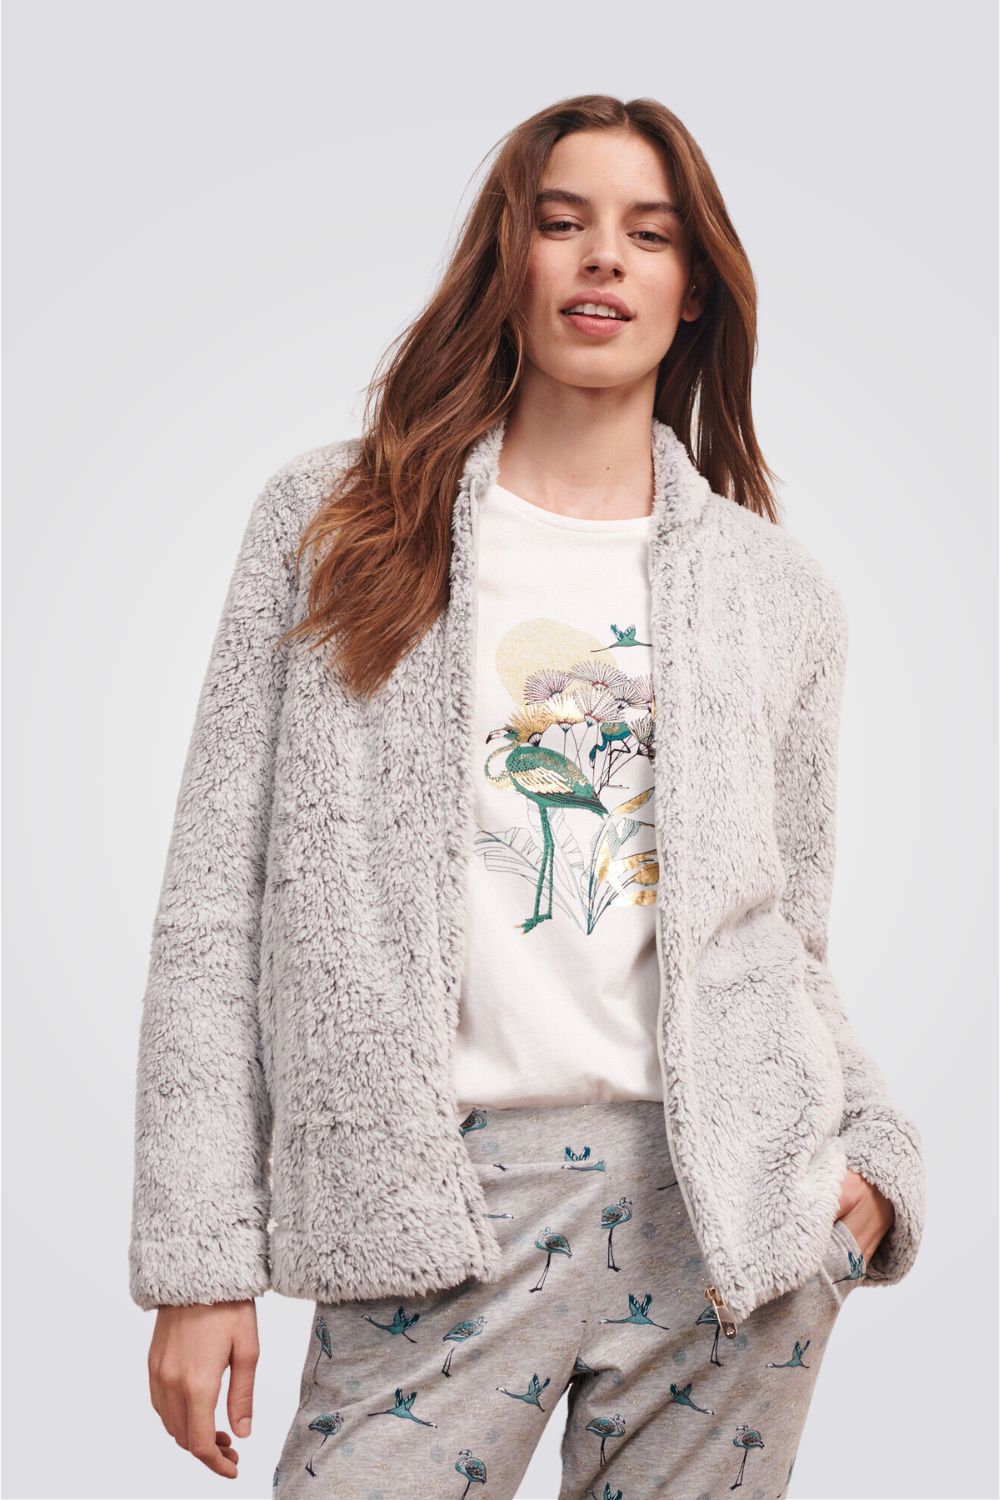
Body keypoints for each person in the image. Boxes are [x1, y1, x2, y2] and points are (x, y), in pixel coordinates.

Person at [129, 94, 926, 1499]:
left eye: (649, 235)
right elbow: (213, 910)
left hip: (727, 1223)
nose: (603, 258)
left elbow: (785, 940)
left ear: (694, 291)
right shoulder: (336, 527)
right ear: (511, 260)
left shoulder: (776, 595)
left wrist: (867, 1172)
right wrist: (200, 1261)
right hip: (430, 1203)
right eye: (563, 223)